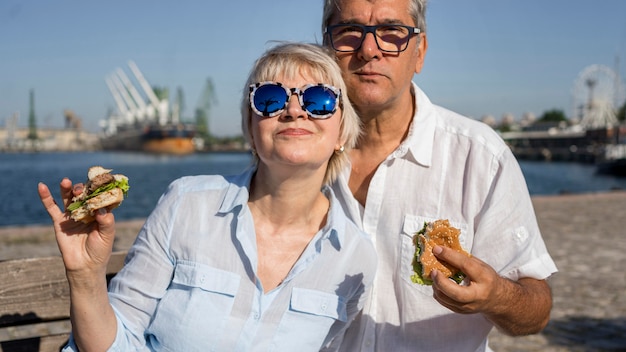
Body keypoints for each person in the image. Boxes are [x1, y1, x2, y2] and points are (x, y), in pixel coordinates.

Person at [37, 42, 377, 351]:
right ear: (251, 126)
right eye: (270, 98)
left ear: (341, 132)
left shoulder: (354, 257)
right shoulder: (186, 205)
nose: (293, 110)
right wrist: (85, 277)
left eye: (318, 99)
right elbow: (118, 341)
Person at [320, 0, 558, 351]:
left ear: (420, 52)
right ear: (327, 46)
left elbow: (535, 310)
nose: (369, 49)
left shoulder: (479, 157)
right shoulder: (297, 156)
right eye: (350, 31)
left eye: (391, 32)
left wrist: (496, 296)